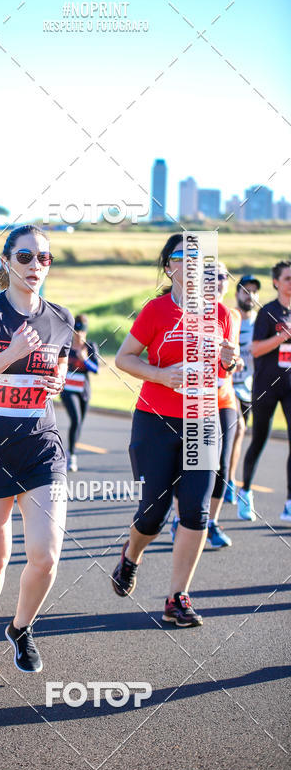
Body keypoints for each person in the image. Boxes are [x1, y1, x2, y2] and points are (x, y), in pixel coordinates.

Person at [0, 224, 74, 678]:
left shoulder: (61, 318)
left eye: (44, 258)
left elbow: (53, 374)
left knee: (45, 555)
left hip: (41, 449)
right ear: (7, 261)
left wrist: (57, 382)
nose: (35, 266)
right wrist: (10, 355)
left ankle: (21, 628)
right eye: (25, 257)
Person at [114, 235, 237, 627]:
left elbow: (224, 369)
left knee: (197, 511)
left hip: (203, 419)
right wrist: (161, 375)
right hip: (155, 419)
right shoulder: (155, 311)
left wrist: (230, 361)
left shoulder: (222, 313)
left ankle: (176, 597)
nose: (193, 263)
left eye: (200, 257)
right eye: (185, 257)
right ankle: (131, 555)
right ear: (170, 266)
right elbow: (124, 359)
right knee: (153, 513)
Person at [171, 263, 240, 548]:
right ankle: (180, 519)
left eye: (224, 276)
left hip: (223, 397)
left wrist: (232, 360)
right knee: (190, 462)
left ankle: (209, 522)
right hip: (189, 398)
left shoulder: (231, 315)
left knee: (221, 464)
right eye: (211, 277)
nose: (219, 282)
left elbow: (229, 363)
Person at [239, 260, 291, 522]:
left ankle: (290, 503)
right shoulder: (268, 312)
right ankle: (246, 491)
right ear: (276, 282)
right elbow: (255, 349)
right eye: (287, 278)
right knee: (259, 439)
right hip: (266, 386)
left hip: (290, 386)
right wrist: (281, 337)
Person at [228, 275, 261, 501]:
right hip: (228, 386)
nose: (249, 295)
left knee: (239, 434)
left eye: (253, 291)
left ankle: (227, 477)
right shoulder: (231, 318)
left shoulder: (262, 322)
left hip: (251, 389)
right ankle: (228, 481)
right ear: (237, 294)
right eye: (245, 291)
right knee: (238, 428)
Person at [60, 313, 99, 472]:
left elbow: (96, 369)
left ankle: (70, 450)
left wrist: (85, 360)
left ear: (86, 332)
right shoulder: (66, 345)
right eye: (76, 332)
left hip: (83, 390)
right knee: (75, 419)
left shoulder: (90, 346)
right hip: (68, 389)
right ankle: (72, 456)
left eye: (81, 332)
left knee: (79, 424)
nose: (79, 335)